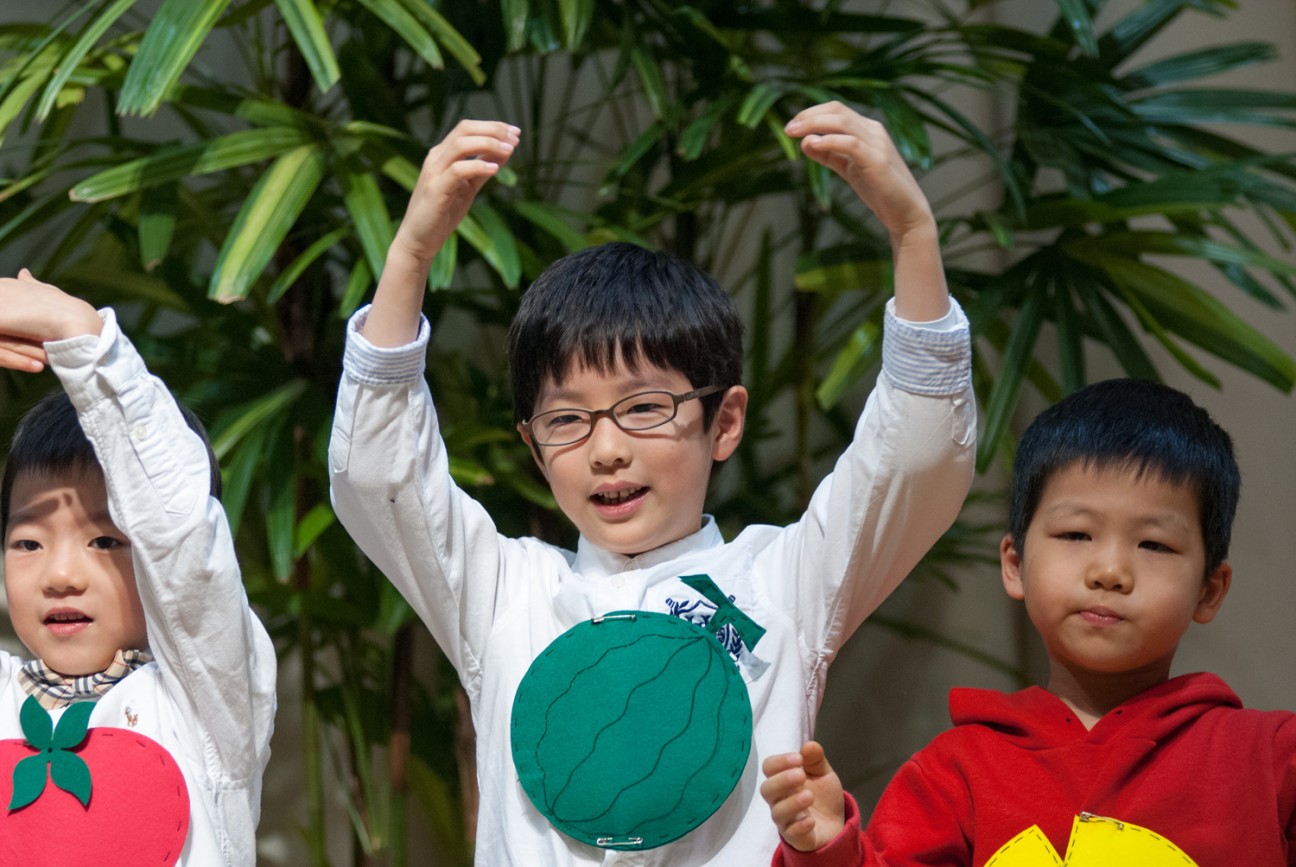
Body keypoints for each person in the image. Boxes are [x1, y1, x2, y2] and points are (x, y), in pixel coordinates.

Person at [329, 101, 975, 864]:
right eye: (567, 420)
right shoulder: (505, 594)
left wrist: (913, 233)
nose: (607, 449)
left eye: (643, 408)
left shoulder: (784, 583)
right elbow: (378, 474)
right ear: (533, 447)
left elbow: (915, 461)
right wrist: (410, 254)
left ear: (724, 422)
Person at [761, 378, 1296, 866]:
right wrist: (828, 851)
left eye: (1153, 544)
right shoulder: (955, 773)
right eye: (1076, 535)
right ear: (1016, 564)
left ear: (1209, 588)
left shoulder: (1271, 760)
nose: (1110, 571)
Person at [0, 272, 276, 865]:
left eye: (105, 541)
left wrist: (85, 344)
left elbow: (179, 534)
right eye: (28, 543)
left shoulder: (206, 702)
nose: (61, 575)